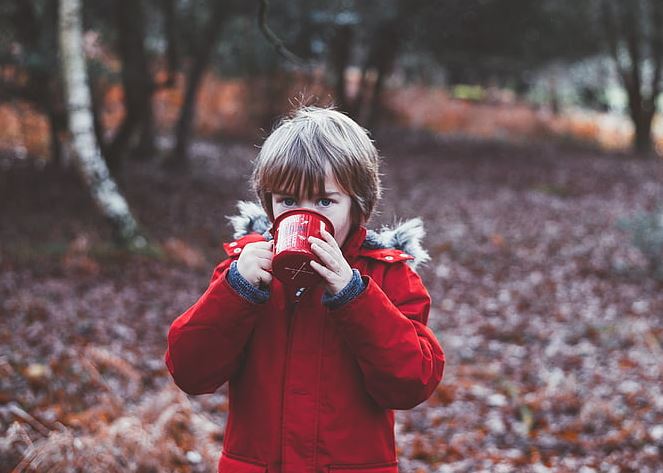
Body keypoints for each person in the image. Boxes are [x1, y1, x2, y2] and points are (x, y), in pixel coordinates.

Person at [164, 104, 445, 473]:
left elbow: (411, 383)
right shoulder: (244, 272)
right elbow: (190, 371)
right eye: (288, 201)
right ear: (269, 204)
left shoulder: (387, 277)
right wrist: (236, 290)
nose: (304, 214)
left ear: (357, 207)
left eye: (325, 201)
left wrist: (353, 296)